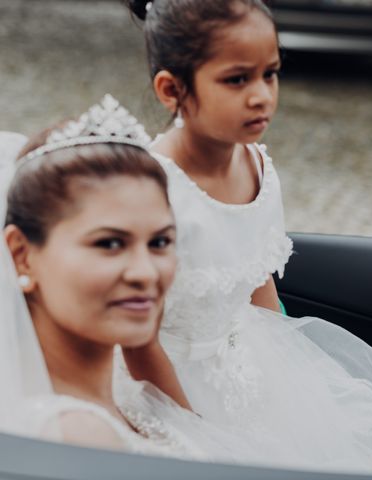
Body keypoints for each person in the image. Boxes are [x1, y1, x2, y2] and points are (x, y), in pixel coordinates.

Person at [122, 1, 372, 478]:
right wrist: (195, 434)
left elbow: (258, 280)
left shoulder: (258, 168)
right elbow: (137, 340)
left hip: (245, 368)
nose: (262, 95)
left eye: (271, 74)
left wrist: (287, 381)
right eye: (237, 80)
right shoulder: (151, 190)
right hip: (166, 386)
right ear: (172, 89)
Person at [0, 96, 247, 461]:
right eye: (110, 243)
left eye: (160, 242)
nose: (145, 273)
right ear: (22, 255)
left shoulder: (129, 393)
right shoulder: (76, 435)